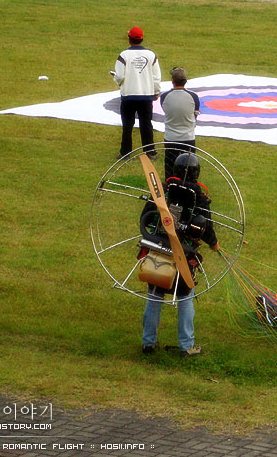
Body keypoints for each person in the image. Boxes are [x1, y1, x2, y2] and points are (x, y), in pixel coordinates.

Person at [141, 153, 220, 357]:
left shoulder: (163, 191)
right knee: (185, 297)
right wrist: (214, 244)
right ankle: (186, 346)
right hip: (183, 257)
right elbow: (206, 229)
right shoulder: (199, 198)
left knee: (155, 295)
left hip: (157, 250)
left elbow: (145, 217)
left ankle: (148, 343)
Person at [113, 26, 161, 160]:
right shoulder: (151, 55)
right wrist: (156, 92)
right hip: (146, 96)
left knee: (127, 125)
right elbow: (156, 77)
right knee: (146, 124)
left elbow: (120, 76)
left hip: (128, 96)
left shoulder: (124, 55)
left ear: (129, 39)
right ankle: (150, 152)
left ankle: (125, 153)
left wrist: (117, 81)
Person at [160, 67, 200, 181]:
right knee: (190, 166)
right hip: (188, 137)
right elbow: (195, 114)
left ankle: (169, 187)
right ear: (186, 80)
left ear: (172, 80)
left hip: (171, 137)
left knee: (170, 167)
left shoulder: (165, 96)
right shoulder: (193, 96)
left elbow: (166, 110)